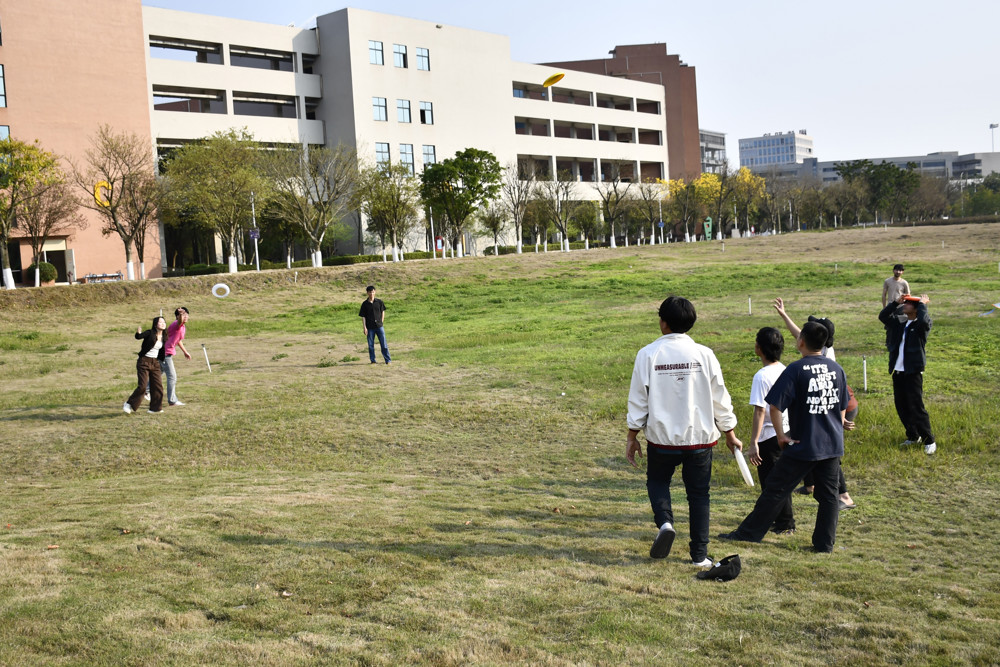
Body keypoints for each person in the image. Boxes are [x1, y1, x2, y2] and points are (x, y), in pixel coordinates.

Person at [626, 296, 742, 568]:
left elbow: (639, 399)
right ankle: (699, 556)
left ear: (663, 323)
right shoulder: (705, 354)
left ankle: (665, 523)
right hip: (700, 439)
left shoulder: (648, 354)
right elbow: (720, 397)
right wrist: (729, 432)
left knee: (657, 482)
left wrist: (632, 436)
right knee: (699, 495)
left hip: (662, 439)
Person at [719, 322, 850, 553]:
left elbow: (775, 406)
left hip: (802, 444)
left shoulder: (796, 369)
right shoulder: (836, 368)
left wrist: (781, 436)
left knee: (775, 489)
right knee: (829, 496)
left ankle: (748, 533)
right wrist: (836, 431)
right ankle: (824, 545)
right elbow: (842, 407)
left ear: (801, 341)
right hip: (831, 444)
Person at [773, 297, 856, 508]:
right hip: (830, 404)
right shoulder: (820, 348)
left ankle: (844, 495)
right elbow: (799, 334)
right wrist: (784, 315)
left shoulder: (823, 357)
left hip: (836, 405)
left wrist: (841, 419)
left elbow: (799, 335)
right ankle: (810, 485)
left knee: (827, 454)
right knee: (811, 442)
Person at [745, 327, 794, 534]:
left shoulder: (761, 376)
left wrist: (754, 442)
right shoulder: (786, 370)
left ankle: (785, 523)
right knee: (780, 479)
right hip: (786, 430)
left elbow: (759, 411)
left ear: (759, 348)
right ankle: (780, 519)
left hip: (769, 435)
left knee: (772, 483)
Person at [879, 294, 936, 455]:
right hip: (898, 372)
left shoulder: (921, 325)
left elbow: (924, 321)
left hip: (913, 372)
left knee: (916, 407)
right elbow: (883, 316)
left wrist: (923, 304)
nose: (905, 305)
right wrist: (894, 303)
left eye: (909, 303)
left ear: (916, 308)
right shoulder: (900, 323)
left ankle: (929, 440)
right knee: (902, 406)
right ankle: (913, 436)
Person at [124, 316, 167, 415]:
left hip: (155, 363)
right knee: (143, 386)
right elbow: (138, 337)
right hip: (144, 361)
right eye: (160, 322)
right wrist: (138, 333)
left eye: (164, 322)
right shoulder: (150, 332)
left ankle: (155, 408)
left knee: (158, 386)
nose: (163, 324)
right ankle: (129, 404)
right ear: (155, 324)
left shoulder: (164, 336)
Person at [162, 307, 192, 407]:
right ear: (177, 316)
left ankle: (146, 390)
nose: (186, 316)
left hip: (165, 352)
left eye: (186, 314)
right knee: (172, 377)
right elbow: (179, 322)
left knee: (157, 374)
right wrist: (181, 315)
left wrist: (185, 352)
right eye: (183, 315)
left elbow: (178, 340)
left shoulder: (182, 327)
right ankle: (172, 401)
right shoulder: (176, 324)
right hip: (165, 353)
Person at [359, 285, 391, 364]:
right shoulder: (364, 304)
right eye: (370, 292)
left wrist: (381, 321)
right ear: (367, 293)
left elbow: (382, 311)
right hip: (370, 327)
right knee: (371, 345)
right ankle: (373, 360)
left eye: (373, 292)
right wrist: (364, 327)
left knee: (384, 344)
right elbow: (363, 316)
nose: (371, 294)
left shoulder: (379, 302)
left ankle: (388, 360)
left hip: (379, 326)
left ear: (375, 292)